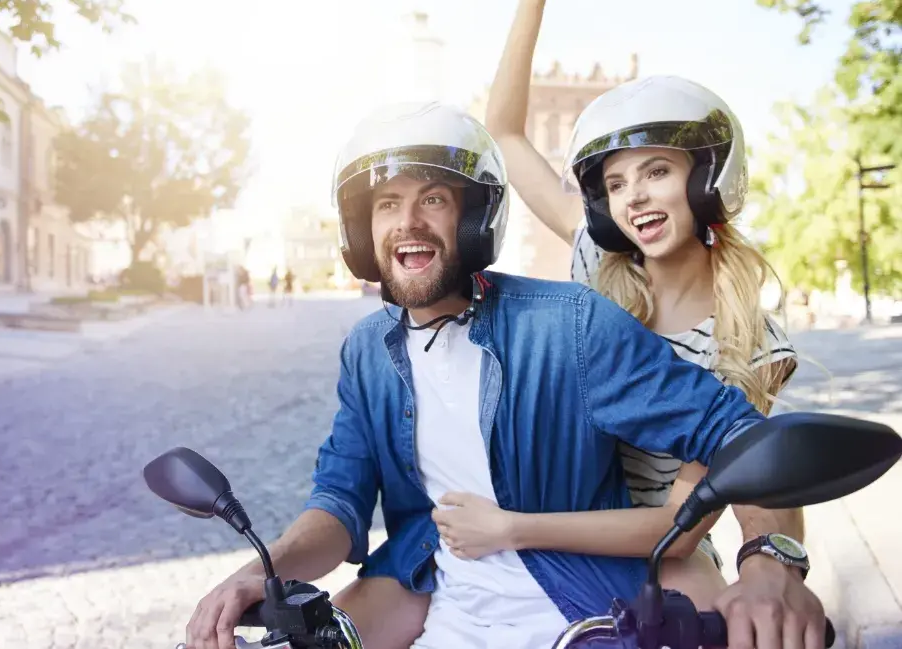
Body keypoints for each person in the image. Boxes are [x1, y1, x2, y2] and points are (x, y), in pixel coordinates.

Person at [184, 102, 824, 649]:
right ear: (362, 229)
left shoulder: (569, 324)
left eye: (432, 199)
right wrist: (257, 570)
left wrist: (771, 561)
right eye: (387, 204)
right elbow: (339, 504)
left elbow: (736, 435)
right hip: (431, 600)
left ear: (473, 217)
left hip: (588, 602)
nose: (408, 221)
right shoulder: (365, 351)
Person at [469, 0, 808, 631]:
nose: (634, 198)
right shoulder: (599, 260)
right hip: (541, 510)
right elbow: (502, 130)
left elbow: (678, 524)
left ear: (706, 179)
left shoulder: (750, 341)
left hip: (653, 547)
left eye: (655, 171)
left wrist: (514, 525)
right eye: (615, 184)